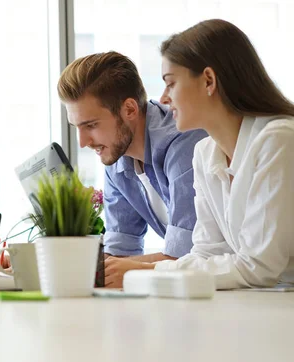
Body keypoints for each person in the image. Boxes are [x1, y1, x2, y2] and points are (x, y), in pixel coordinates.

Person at [105, 19, 294, 289]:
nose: (164, 97)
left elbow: (258, 267)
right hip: (263, 303)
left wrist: (146, 272)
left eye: (171, 83)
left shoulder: (279, 140)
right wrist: (143, 270)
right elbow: (207, 253)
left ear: (208, 80)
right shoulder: (205, 153)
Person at [57, 51, 208, 287]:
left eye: (91, 125)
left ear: (129, 109)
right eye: (77, 127)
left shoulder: (184, 141)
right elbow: (120, 253)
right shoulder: (116, 157)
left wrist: (126, 269)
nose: (83, 142)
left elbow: (186, 255)